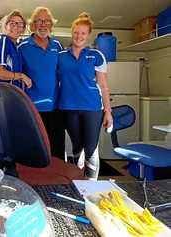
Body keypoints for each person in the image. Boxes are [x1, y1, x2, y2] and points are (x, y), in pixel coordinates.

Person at [57, 12, 113, 180]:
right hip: (68, 107)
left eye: (83, 33)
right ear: (72, 32)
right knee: (77, 147)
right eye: (76, 32)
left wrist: (108, 112)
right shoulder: (60, 57)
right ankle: (77, 181)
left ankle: (91, 185)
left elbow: (103, 86)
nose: (78, 36)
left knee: (90, 148)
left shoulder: (96, 56)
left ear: (88, 35)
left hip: (92, 108)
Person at [0, 10, 31, 176]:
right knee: (2, 147)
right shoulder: (5, 42)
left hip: (11, 102)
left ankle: (9, 182)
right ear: (6, 26)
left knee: (10, 146)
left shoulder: (16, 47)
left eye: (20, 24)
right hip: (4, 101)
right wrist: (21, 76)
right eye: (12, 23)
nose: (16, 27)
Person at [18, 7, 65, 159]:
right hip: (33, 109)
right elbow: (17, 78)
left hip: (56, 108)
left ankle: (57, 181)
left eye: (46, 21)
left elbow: (63, 72)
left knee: (56, 150)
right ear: (32, 25)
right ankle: (35, 182)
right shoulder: (22, 47)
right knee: (35, 150)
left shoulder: (57, 46)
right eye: (39, 21)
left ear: (51, 25)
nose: (43, 24)